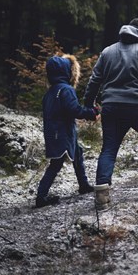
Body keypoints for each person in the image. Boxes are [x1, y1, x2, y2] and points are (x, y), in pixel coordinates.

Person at [83, 18, 138, 210]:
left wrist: (89, 104)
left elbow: (94, 80)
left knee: (109, 148)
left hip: (111, 107)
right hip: (135, 107)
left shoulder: (108, 51)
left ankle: (102, 195)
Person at [35, 54, 100, 208]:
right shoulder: (66, 89)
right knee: (56, 164)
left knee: (77, 153)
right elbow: (74, 110)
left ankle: (83, 184)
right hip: (62, 134)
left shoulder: (50, 92)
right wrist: (92, 112)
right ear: (66, 72)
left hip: (56, 133)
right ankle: (41, 196)